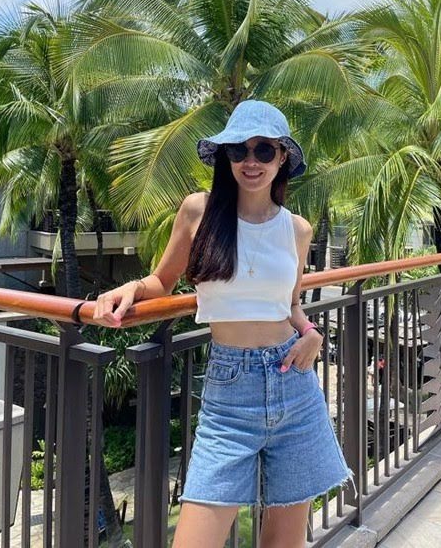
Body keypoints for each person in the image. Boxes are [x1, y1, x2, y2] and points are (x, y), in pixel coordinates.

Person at [93, 99, 356, 548]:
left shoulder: (298, 230)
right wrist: (130, 290)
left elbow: (291, 305)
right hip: (230, 391)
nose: (251, 162)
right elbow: (162, 281)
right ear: (226, 157)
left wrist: (312, 334)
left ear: (283, 157)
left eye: (264, 150)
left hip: (293, 383)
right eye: (239, 150)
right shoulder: (199, 211)